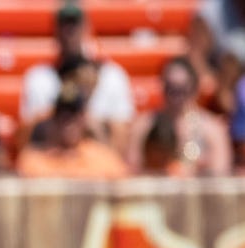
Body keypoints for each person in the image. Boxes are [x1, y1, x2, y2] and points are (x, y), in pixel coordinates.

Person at [18, 2, 135, 156]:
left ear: (87, 27)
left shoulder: (112, 76)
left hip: (98, 166)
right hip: (53, 163)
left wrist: (89, 123)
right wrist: (63, 117)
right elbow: (25, 140)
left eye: (74, 24)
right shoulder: (39, 78)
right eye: (64, 24)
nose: (69, 31)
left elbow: (123, 140)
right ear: (55, 30)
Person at [127, 56, 232, 176]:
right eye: (170, 89)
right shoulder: (144, 126)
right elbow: (132, 171)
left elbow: (220, 174)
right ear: (163, 86)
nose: (175, 97)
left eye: (181, 90)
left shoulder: (212, 130)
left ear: (194, 88)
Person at [15, 85, 130, 179]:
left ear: (84, 119)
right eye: (62, 114)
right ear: (52, 119)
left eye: (74, 114)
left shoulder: (104, 158)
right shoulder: (34, 160)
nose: (68, 120)